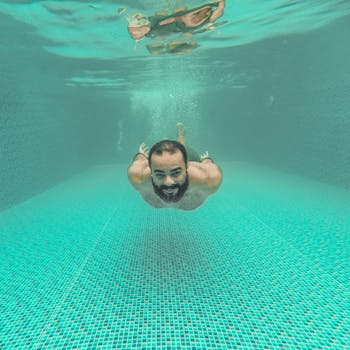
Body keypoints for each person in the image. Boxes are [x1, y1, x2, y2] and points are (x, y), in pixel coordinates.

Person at [127, 123, 222, 210]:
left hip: (191, 162)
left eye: (176, 173)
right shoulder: (138, 176)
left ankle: (180, 134)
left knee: (182, 150)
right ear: (150, 171)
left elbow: (210, 167)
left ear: (187, 167)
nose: (168, 182)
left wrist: (206, 160)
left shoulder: (209, 178)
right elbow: (138, 160)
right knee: (176, 155)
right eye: (160, 174)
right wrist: (141, 154)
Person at [127, 1, 226, 54]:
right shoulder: (209, 16)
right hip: (175, 24)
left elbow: (173, 19)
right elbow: (173, 19)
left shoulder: (209, 18)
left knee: (151, 32)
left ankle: (138, 32)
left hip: (174, 25)